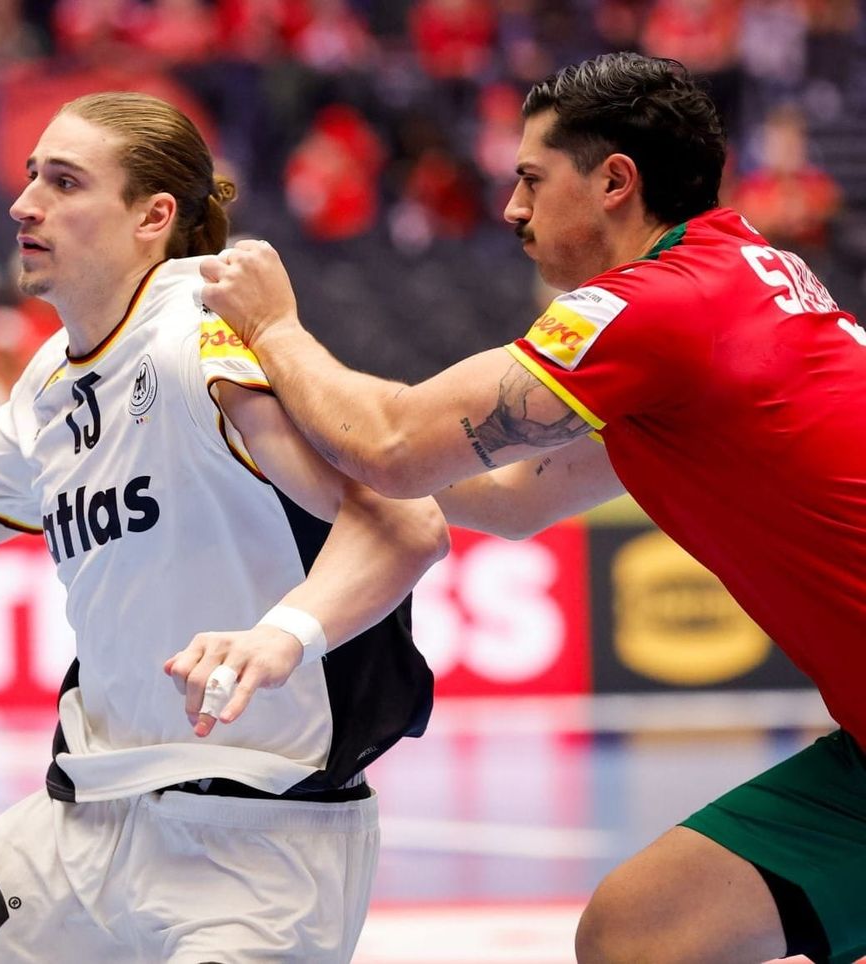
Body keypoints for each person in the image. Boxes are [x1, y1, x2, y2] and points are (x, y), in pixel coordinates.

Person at [192, 52, 866, 964]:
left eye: (532, 180)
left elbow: (394, 443)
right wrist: (255, 408)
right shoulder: (731, 282)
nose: (511, 208)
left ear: (615, 183)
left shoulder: (657, 306)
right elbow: (510, 499)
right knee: (640, 935)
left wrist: (272, 329)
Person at [0, 91, 450, 962]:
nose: (24, 204)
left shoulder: (205, 338)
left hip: (258, 845)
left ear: (152, 217)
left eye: (63, 182)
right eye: (29, 177)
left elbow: (405, 523)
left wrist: (281, 636)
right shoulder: (52, 379)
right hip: (80, 824)